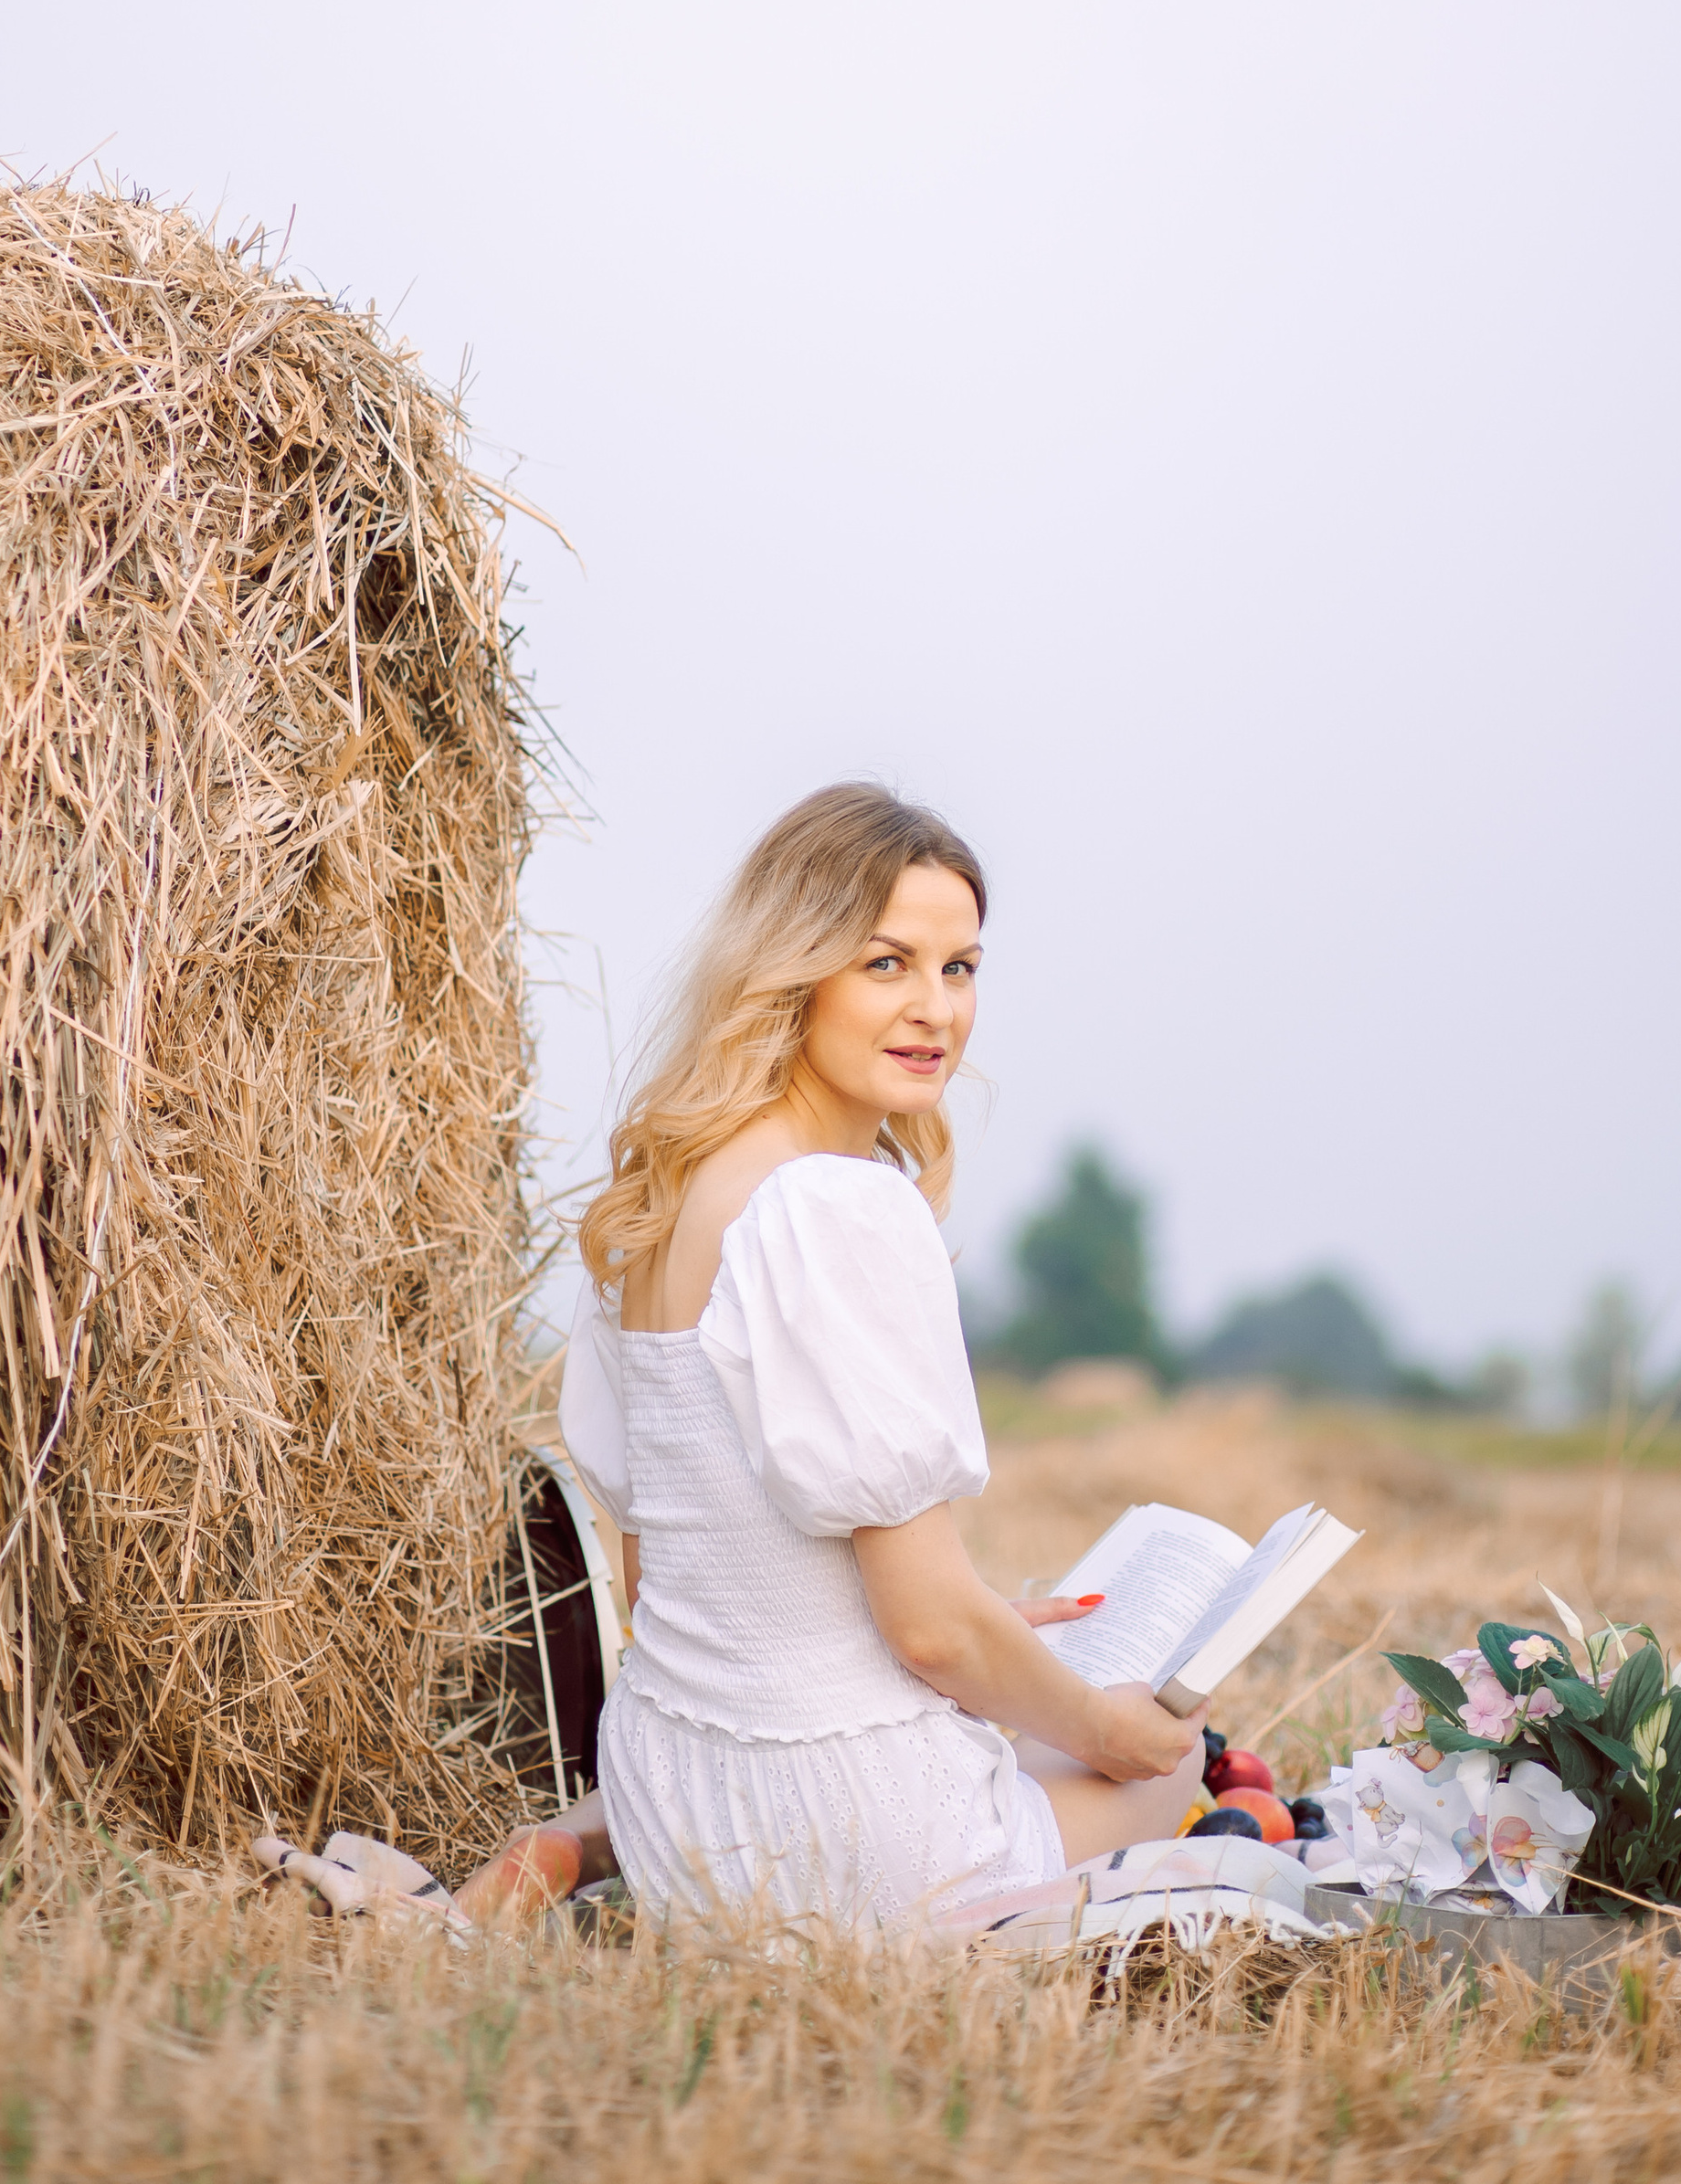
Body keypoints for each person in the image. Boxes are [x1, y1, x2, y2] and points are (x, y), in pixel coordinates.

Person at [455, 781, 1202, 1931]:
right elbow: (929, 1632)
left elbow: (679, 1593)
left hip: (672, 1803)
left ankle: (578, 1845)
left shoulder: (667, 1204)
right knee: (1177, 1775)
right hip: (850, 1834)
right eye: (886, 963)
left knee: (1020, 1712)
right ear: (795, 968)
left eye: (959, 969)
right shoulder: (837, 1209)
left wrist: (976, 1629)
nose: (935, 1011)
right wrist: (1097, 1728)